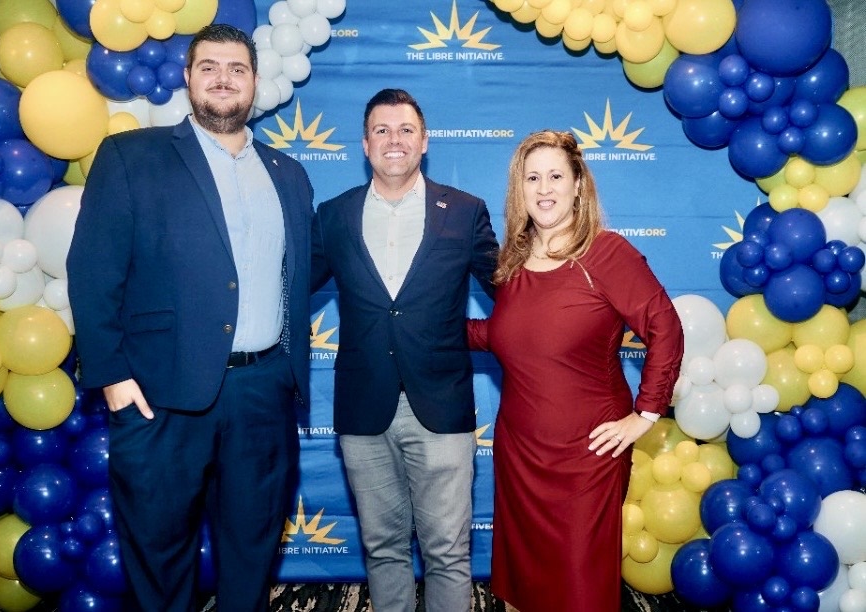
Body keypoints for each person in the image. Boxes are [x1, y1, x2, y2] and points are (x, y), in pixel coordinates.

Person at [66, 24, 314, 612]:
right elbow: (92, 269)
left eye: (237, 68)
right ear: (188, 78)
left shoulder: (288, 174)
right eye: (209, 67)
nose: (223, 79)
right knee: (159, 551)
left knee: (252, 550)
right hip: (158, 394)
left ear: (255, 82)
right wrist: (114, 379)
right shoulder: (132, 156)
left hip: (262, 393)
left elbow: (301, 270)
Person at [466, 130, 684, 611]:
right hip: (521, 452)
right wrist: (428, 329)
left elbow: (666, 329)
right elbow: (514, 338)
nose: (544, 189)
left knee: (580, 589)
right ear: (519, 190)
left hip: (586, 456)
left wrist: (644, 415)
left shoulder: (606, 254)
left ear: (579, 184)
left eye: (556, 176)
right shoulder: (514, 262)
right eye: (533, 178)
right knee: (530, 585)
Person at [311, 88, 498, 612]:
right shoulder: (333, 215)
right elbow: (286, 287)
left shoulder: (464, 213)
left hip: (442, 408)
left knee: (447, 552)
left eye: (406, 130)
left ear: (424, 141)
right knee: (383, 549)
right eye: (382, 131)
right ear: (365, 145)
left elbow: (513, 289)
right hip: (362, 411)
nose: (394, 140)